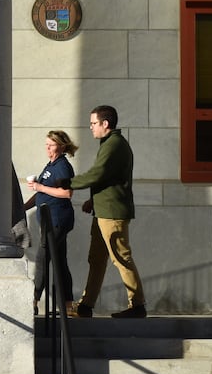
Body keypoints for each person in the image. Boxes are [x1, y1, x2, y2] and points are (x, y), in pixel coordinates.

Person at [34, 105, 145, 319]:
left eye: (94, 123)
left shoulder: (114, 144)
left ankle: (137, 304)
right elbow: (107, 178)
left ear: (106, 123)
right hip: (103, 210)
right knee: (96, 259)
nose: (91, 127)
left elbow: (98, 173)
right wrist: (93, 200)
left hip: (112, 212)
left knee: (120, 258)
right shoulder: (109, 144)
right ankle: (86, 306)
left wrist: (70, 183)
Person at [22, 130, 78, 315]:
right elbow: (41, 193)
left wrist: (40, 187)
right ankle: (68, 304)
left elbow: (67, 193)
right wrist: (24, 207)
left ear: (61, 146)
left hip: (57, 220)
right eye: (46, 144)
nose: (47, 148)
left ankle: (34, 299)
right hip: (49, 221)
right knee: (60, 261)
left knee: (42, 258)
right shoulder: (50, 166)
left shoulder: (62, 166)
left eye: (51, 145)